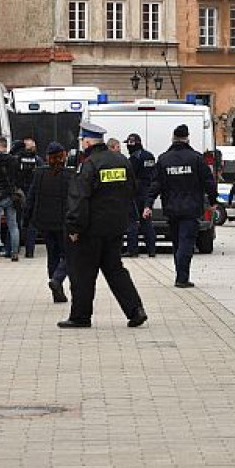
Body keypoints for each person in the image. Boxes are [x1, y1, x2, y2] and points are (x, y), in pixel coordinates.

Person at [60, 121, 147, 329]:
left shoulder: (89, 164)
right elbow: (132, 190)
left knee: (83, 273)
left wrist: (74, 227)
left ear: (87, 142)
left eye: (83, 141)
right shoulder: (121, 161)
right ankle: (136, 310)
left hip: (90, 230)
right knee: (115, 270)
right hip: (115, 227)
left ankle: (80, 316)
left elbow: (79, 198)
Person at [145, 124, 216, 289]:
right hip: (191, 208)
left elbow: (155, 184)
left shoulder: (164, 159)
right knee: (186, 242)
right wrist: (213, 202)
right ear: (187, 139)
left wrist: (148, 204)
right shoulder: (196, 159)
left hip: (171, 208)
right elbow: (209, 182)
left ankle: (180, 275)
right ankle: (182, 278)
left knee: (177, 243)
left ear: (173, 138)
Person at [25, 142, 73, 303]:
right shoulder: (69, 175)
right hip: (63, 222)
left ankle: (56, 290)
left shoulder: (39, 174)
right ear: (63, 156)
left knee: (52, 255)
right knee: (69, 255)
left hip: (44, 222)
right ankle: (57, 279)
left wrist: (27, 219)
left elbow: (31, 197)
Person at [123, 133, 158, 258]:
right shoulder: (150, 156)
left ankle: (132, 250)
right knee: (146, 221)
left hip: (136, 193)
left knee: (132, 221)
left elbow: (130, 176)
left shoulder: (133, 158)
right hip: (148, 192)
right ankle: (151, 250)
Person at [14, 137, 43, 258]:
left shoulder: (17, 158)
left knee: (16, 221)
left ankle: (13, 249)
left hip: (19, 194)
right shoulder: (37, 160)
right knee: (32, 223)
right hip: (33, 194)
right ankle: (29, 251)